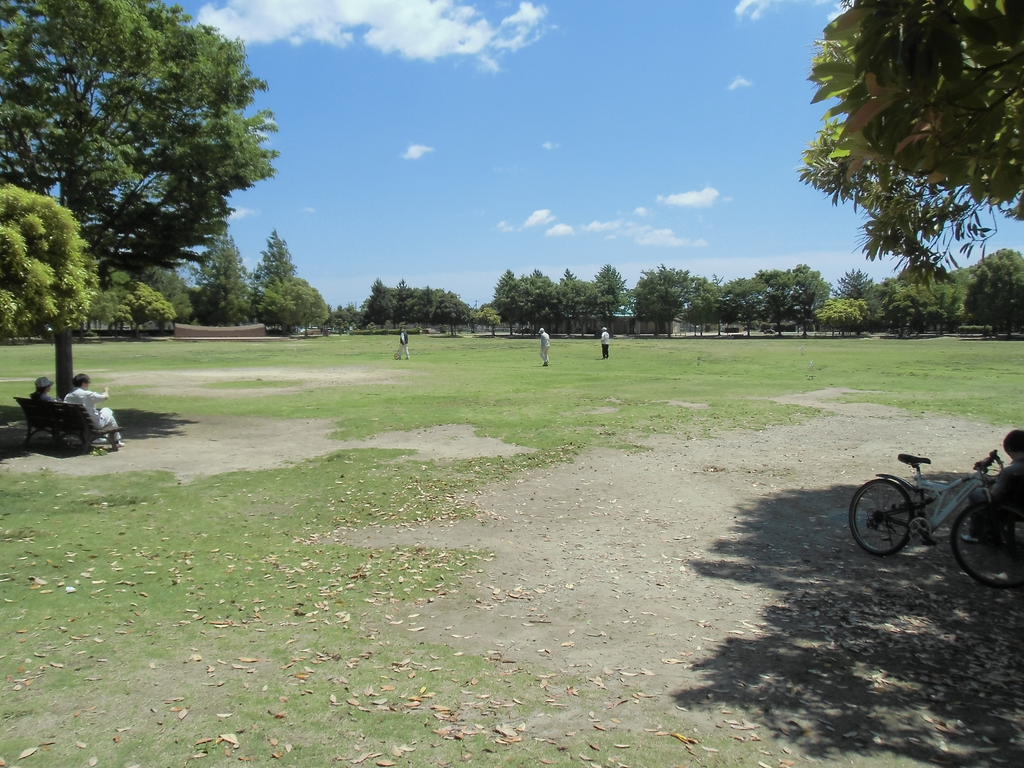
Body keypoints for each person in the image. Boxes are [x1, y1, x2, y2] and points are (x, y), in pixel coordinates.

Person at [964, 429, 1024, 541]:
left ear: (1010, 449)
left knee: (977, 494)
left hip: (1012, 508)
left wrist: (989, 485)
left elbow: (994, 494)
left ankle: (976, 534)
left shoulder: (1010, 471)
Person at [64, 373, 123, 447]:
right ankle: (117, 441)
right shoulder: (87, 394)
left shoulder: (68, 396)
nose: (89, 384)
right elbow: (105, 397)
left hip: (76, 423)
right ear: (83, 383)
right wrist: (106, 390)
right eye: (88, 382)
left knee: (106, 415)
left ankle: (114, 440)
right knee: (107, 411)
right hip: (93, 424)